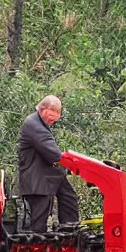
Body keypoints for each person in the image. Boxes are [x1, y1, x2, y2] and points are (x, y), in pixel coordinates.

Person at [17, 95, 79, 232]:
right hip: (37, 180)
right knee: (38, 223)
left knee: (69, 197)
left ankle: (70, 233)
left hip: (47, 176)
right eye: (52, 117)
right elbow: (54, 154)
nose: (53, 121)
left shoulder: (41, 123)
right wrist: (74, 162)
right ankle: (36, 249)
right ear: (44, 109)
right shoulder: (34, 124)